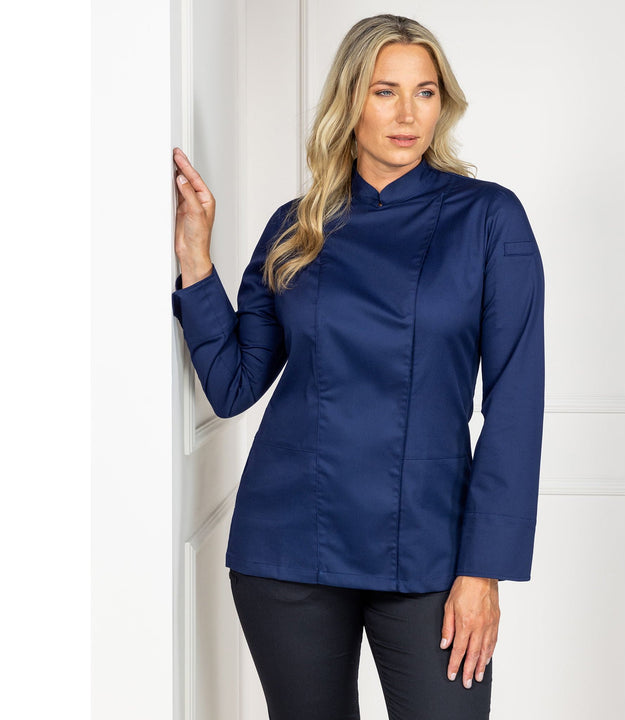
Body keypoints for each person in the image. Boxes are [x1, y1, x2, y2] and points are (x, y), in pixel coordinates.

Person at [171, 13, 544, 720]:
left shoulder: (490, 219)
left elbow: (516, 403)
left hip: (432, 552)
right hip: (289, 544)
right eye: (384, 91)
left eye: (425, 92)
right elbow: (233, 384)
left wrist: (484, 569)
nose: (408, 114)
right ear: (350, 101)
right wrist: (195, 258)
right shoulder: (296, 225)